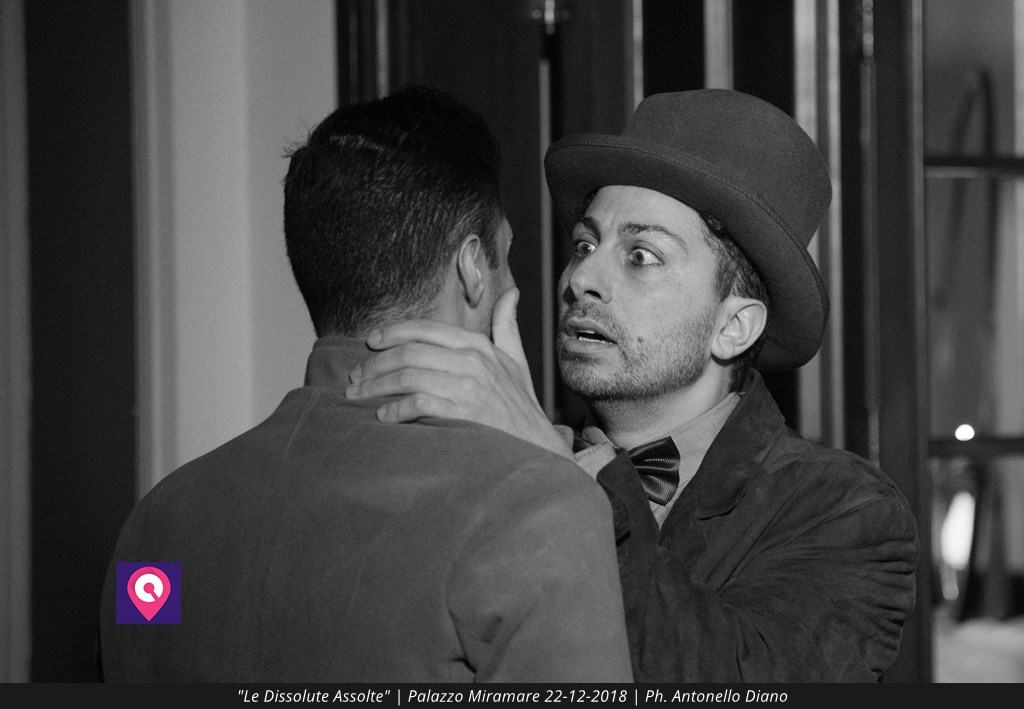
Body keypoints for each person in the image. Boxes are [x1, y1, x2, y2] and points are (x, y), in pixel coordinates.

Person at [344, 89, 921, 682]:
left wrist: (560, 481)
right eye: (585, 245)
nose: (581, 278)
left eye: (641, 256)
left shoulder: (845, 512)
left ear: (733, 327)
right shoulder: (496, 470)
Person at [97, 85, 633, 683]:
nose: (513, 286)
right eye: (503, 258)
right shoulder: (538, 509)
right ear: (471, 269)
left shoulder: (157, 525)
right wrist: (551, 472)